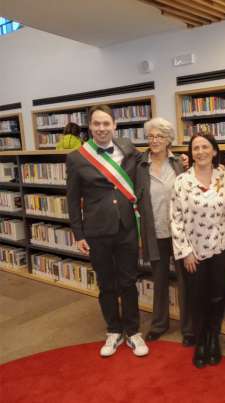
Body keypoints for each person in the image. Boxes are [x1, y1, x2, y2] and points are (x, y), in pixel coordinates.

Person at [66, 104, 149, 358]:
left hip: (126, 227)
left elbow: (150, 160)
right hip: (97, 231)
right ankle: (113, 330)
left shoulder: (127, 148)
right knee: (106, 284)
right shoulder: (77, 158)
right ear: (89, 127)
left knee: (128, 281)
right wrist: (79, 234)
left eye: (106, 123)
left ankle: (133, 331)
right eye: (96, 124)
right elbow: (72, 198)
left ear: (115, 125)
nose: (101, 128)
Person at [170, 133, 225, 368]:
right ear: (191, 153)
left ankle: (214, 338)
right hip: (193, 253)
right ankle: (201, 341)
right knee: (197, 299)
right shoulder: (182, 181)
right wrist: (185, 252)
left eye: (206, 147)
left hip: (221, 249)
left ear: (215, 151)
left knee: (217, 297)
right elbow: (175, 218)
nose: (201, 151)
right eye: (196, 148)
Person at [136, 117, 194, 346]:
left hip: (179, 233)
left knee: (185, 282)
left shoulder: (180, 163)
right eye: (150, 136)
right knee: (159, 281)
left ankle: (188, 328)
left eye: (159, 136)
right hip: (155, 231)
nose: (154, 140)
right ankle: (159, 324)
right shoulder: (140, 165)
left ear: (168, 139)